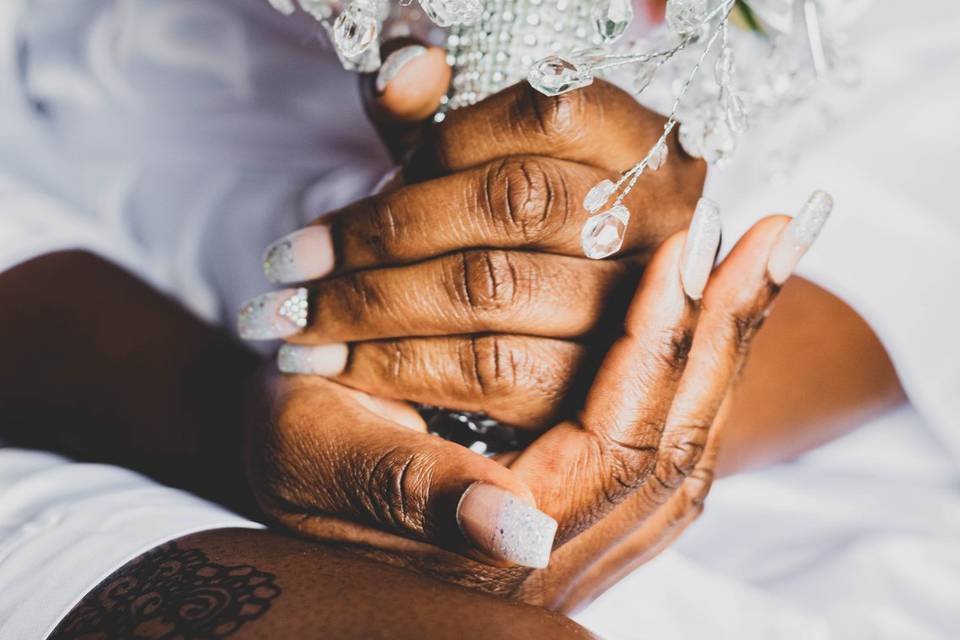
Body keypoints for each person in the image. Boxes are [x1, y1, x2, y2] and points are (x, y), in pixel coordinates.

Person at [0, 1, 956, 639]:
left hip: (790, 526)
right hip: (106, 424)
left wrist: (599, 293)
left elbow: (873, 300)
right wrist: (231, 435)